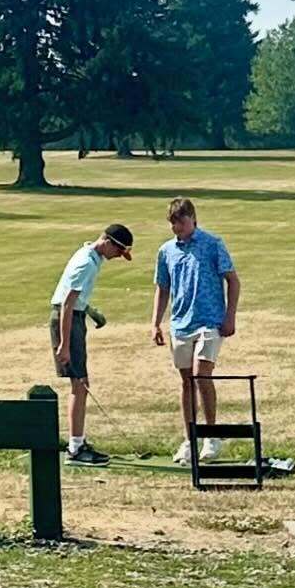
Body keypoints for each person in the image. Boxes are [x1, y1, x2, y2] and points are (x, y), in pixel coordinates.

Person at [151, 197, 241, 465]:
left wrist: (229, 317)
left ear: (193, 218)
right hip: (180, 323)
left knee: (202, 376)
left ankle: (211, 436)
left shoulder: (213, 244)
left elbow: (233, 281)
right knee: (187, 381)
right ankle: (190, 439)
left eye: (180, 221)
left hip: (210, 321)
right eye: (173, 223)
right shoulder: (166, 251)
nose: (176, 227)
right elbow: (162, 288)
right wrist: (155, 322)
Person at [49, 223, 134, 466]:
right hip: (67, 321)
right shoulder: (86, 263)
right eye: (119, 252)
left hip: (75, 317)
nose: (118, 257)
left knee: (82, 382)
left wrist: (92, 312)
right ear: (108, 242)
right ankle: (76, 449)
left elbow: (75, 298)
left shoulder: (90, 255)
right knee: (80, 384)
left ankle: (78, 442)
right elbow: (66, 304)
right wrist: (65, 345)